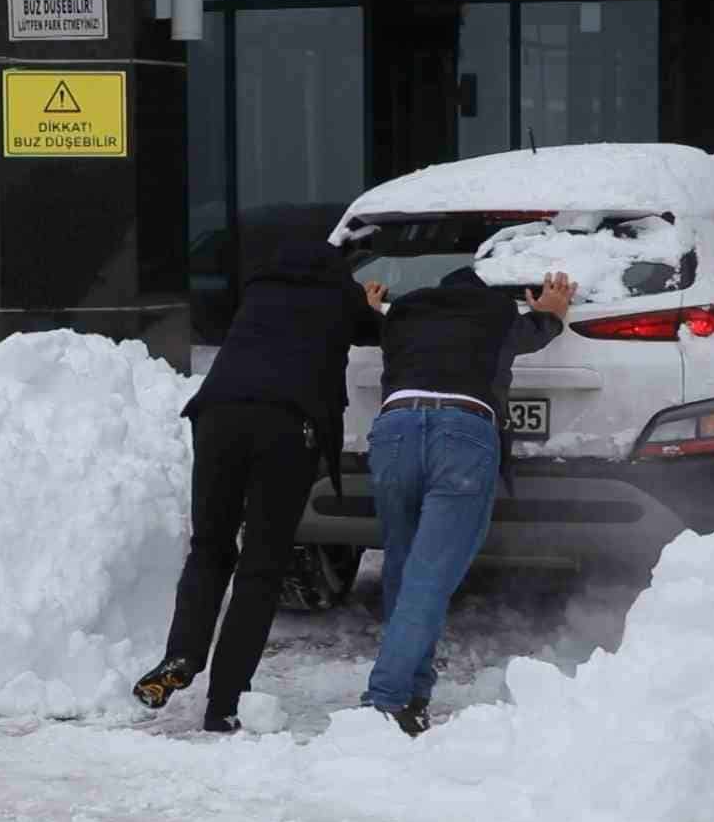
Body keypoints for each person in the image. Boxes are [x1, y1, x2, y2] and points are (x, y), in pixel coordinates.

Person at [133, 238, 385, 732]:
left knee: (209, 548)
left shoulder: (259, 290)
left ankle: (181, 656)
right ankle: (224, 700)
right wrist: (368, 304)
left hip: (216, 416)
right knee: (262, 566)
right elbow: (373, 330)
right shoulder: (341, 294)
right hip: (285, 428)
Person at [362, 266, 576, 736]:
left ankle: (413, 697)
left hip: (395, 429)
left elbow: (374, 326)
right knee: (430, 576)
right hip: (461, 434)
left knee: (405, 567)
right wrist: (551, 312)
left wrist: (374, 307)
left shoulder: (405, 315)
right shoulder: (494, 310)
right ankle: (383, 701)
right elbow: (535, 331)